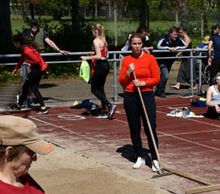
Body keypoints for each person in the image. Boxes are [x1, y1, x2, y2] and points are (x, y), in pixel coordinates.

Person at [119, 34, 161, 172]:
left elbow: (156, 78)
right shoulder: (126, 60)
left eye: (139, 43)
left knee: (150, 125)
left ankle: (154, 158)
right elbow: (122, 81)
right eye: (134, 44)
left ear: (142, 44)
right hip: (131, 95)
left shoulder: (150, 58)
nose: (137, 46)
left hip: (146, 94)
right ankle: (139, 155)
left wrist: (144, 83)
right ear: (130, 45)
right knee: (134, 127)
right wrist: (129, 73)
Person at [80, 23, 115, 119]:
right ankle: (104, 109)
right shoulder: (103, 40)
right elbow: (106, 55)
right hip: (106, 64)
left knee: (94, 89)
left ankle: (109, 104)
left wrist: (86, 57)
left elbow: (99, 56)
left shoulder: (96, 41)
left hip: (100, 65)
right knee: (100, 88)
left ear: (95, 31)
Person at [10, 34, 49, 115]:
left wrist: (31, 63)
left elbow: (37, 60)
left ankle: (19, 105)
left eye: (14, 43)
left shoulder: (27, 50)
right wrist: (16, 68)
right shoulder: (25, 49)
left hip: (37, 69)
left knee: (26, 86)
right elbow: (22, 59)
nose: (13, 45)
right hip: (38, 69)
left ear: (18, 43)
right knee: (34, 88)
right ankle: (43, 108)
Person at [155, 26, 189, 97]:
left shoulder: (178, 39)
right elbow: (158, 46)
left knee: (163, 76)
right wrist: (168, 48)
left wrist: (177, 48)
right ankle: (161, 90)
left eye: (177, 34)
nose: (176, 36)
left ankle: (158, 89)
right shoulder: (164, 38)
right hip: (162, 61)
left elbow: (186, 45)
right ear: (170, 34)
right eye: (174, 34)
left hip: (170, 61)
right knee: (166, 75)